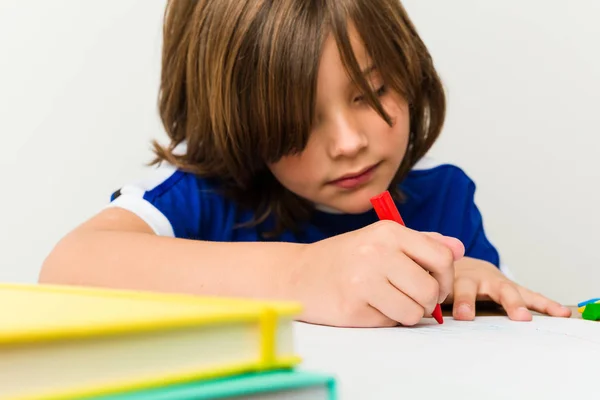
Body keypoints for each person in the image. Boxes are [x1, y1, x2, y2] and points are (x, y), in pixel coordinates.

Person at [39, 0, 571, 327]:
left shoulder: (445, 200)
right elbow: (65, 271)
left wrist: (478, 288)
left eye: (372, 91)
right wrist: (300, 275)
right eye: (295, 122)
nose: (347, 142)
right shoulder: (201, 197)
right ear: (233, 122)